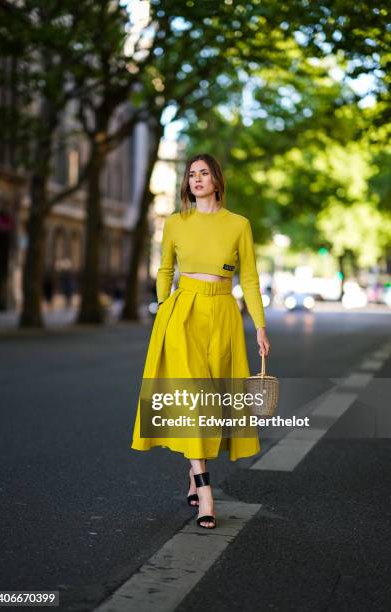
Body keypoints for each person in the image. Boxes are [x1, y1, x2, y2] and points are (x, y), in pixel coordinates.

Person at [131, 153, 271, 529]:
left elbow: (251, 279)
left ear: (216, 180)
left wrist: (259, 325)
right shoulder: (176, 222)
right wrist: (163, 308)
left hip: (224, 312)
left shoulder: (238, 224)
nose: (196, 179)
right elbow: (164, 269)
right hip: (182, 315)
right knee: (193, 399)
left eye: (203, 173)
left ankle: (194, 474)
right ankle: (207, 493)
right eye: (191, 174)